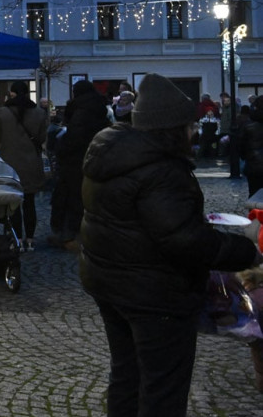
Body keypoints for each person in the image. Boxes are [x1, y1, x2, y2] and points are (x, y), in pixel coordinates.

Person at [80, 73, 261, 417]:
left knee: (127, 375)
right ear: (171, 129)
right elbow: (184, 240)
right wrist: (248, 249)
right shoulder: (161, 170)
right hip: (154, 294)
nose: (194, 134)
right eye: (189, 127)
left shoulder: (111, 153)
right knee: (162, 389)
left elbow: (150, 222)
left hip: (109, 283)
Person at [50, 79, 110, 249]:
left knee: (72, 198)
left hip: (75, 161)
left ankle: (72, 235)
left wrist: (61, 146)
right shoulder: (99, 107)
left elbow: (75, 136)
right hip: (95, 158)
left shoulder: (80, 110)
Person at [0, 81, 49, 252]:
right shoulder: (39, 113)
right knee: (30, 203)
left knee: (13, 204)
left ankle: (16, 239)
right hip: (32, 163)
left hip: (10, 164)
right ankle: (30, 240)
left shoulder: (2, 113)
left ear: (12, 94)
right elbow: (41, 138)